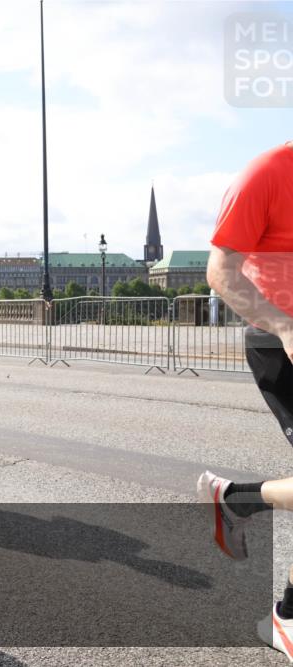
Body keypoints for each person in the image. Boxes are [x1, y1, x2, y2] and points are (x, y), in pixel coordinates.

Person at [196, 141, 293, 662]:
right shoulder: (266, 174)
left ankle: (237, 499)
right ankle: (289, 617)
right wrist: (285, 325)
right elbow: (221, 273)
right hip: (279, 344)